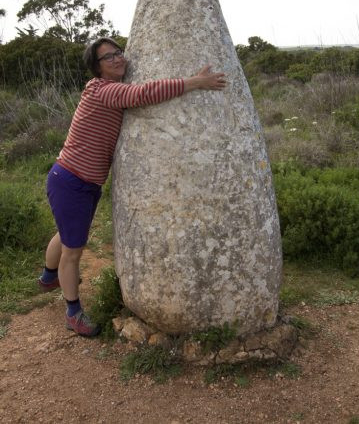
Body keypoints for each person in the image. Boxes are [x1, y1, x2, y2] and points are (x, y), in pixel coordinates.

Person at [38, 37, 227, 337]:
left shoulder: (104, 89)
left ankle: (48, 277)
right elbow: (144, 93)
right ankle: (72, 312)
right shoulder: (104, 90)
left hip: (78, 182)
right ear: (97, 67)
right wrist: (195, 82)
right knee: (73, 251)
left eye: (118, 52)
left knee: (67, 233)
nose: (117, 59)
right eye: (108, 57)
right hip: (71, 181)